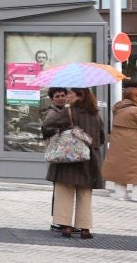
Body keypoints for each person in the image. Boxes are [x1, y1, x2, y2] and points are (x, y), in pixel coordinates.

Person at [41, 87, 104, 239]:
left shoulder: (68, 112)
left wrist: (62, 132)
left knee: (64, 192)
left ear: (80, 96)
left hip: (67, 160)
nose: (67, 96)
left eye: (70, 94)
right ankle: (85, 229)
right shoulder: (95, 115)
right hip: (89, 160)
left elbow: (46, 125)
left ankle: (66, 226)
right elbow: (101, 138)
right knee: (85, 194)